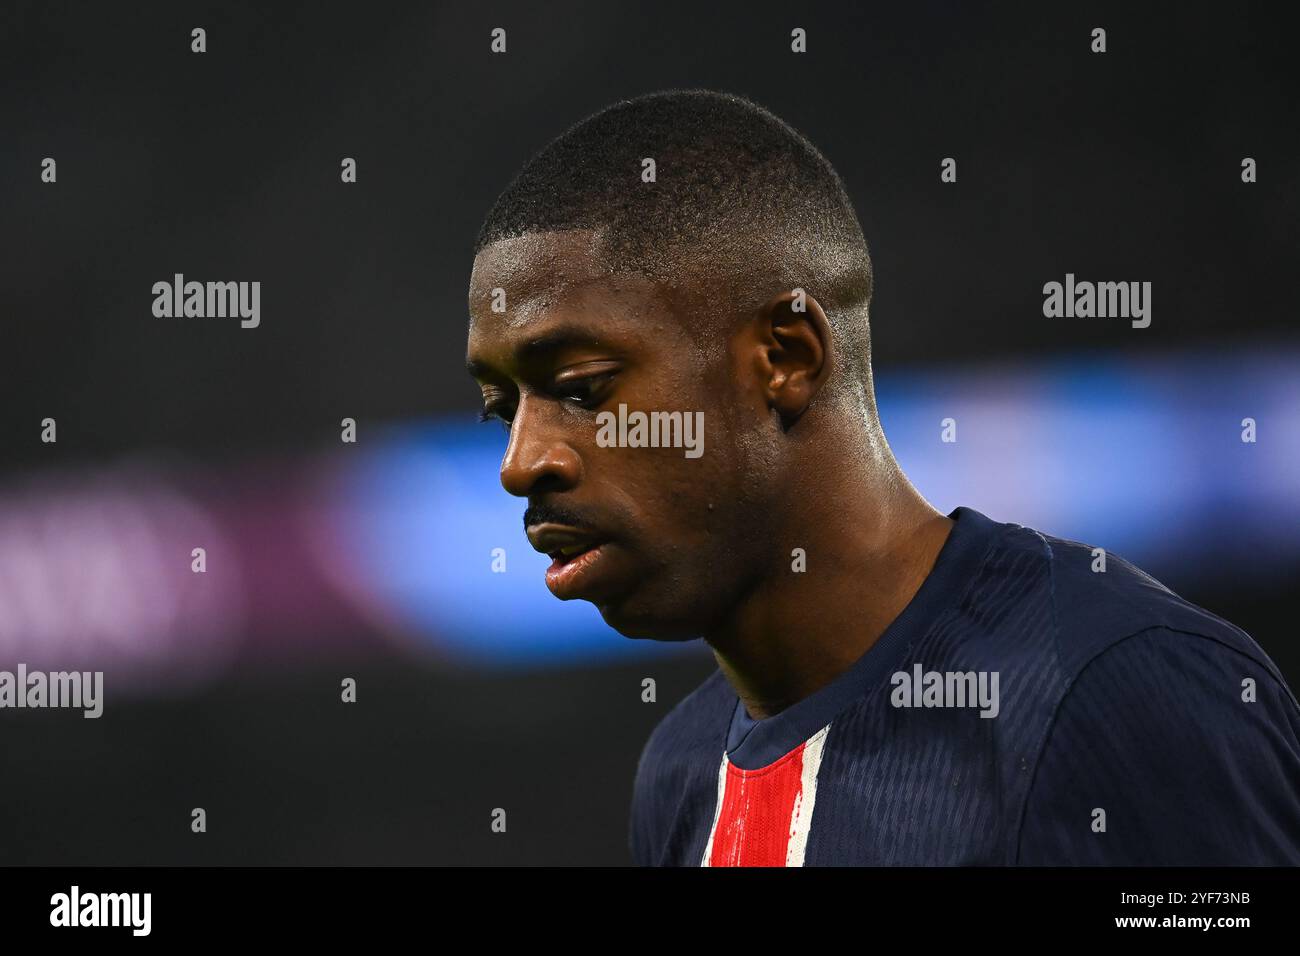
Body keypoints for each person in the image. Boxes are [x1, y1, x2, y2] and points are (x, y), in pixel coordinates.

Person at [464, 89, 1300, 865]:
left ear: (785, 358)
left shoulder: (1112, 693)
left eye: (580, 390)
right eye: (503, 409)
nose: (522, 462)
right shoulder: (681, 774)